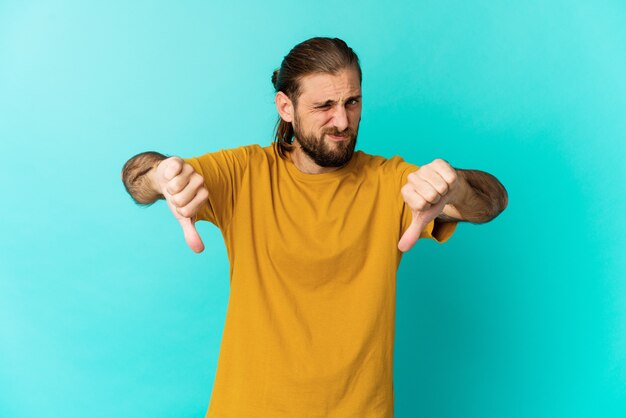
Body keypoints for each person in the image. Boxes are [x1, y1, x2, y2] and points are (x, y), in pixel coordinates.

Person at [121, 37, 507, 418]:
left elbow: (492, 201)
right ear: (286, 107)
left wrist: (455, 185)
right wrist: (161, 175)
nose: (342, 121)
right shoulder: (243, 174)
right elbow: (136, 177)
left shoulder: (389, 183)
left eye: (352, 102)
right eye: (324, 106)